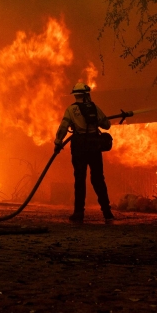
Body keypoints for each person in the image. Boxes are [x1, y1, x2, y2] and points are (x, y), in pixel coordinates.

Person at [54, 81, 114, 223]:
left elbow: (63, 128)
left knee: (80, 179)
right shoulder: (94, 108)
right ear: (87, 94)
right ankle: (107, 213)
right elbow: (107, 125)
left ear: (75, 95)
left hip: (79, 146)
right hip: (94, 145)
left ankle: (79, 213)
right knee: (98, 179)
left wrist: (58, 143)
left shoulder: (71, 110)